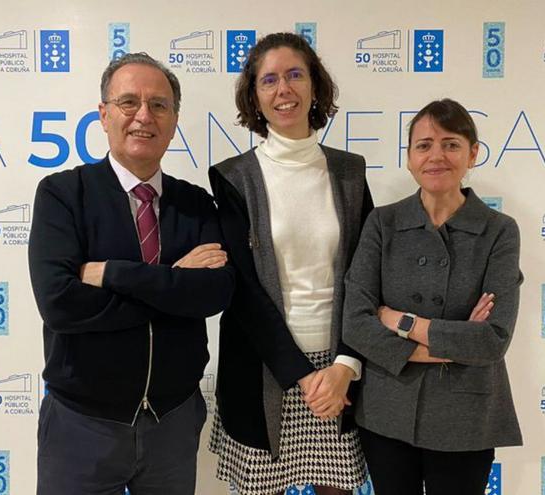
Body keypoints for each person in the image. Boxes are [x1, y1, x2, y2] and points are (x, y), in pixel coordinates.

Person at [28, 52, 234, 495]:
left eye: (159, 104)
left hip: (172, 422)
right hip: (82, 426)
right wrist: (172, 282)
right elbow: (61, 304)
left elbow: (213, 292)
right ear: (103, 114)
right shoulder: (64, 195)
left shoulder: (195, 203)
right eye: (128, 102)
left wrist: (115, 274)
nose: (144, 115)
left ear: (174, 119)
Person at [207, 32, 371, 495]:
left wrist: (344, 366)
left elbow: (365, 276)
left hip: (338, 370)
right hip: (264, 369)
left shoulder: (350, 173)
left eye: (296, 75)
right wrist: (300, 372)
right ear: (255, 97)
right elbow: (241, 289)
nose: (284, 90)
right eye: (270, 80)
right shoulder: (232, 178)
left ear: (315, 87)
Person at [342, 98, 523, 495]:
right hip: (388, 411)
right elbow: (355, 322)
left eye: (451, 144)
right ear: (409, 157)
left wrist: (403, 323)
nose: (436, 155)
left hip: (466, 416)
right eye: (424, 145)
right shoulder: (382, 223)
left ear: (472, 153)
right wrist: (447, 344)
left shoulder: (499, 231)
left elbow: (492, 339)